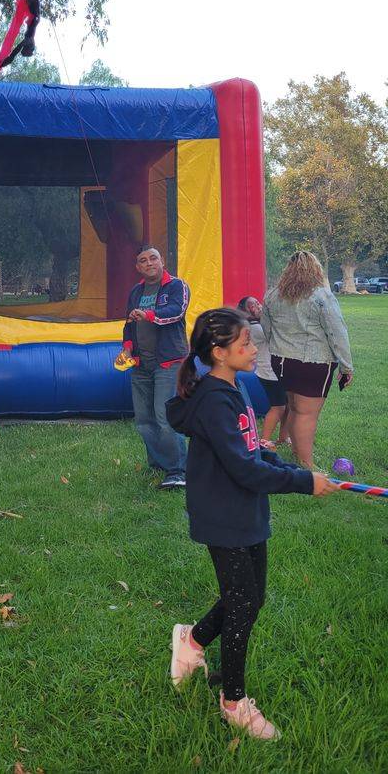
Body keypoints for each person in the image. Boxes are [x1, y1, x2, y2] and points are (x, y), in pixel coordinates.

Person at [166, 307, 339, 741]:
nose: (254, 348)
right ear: (220, 352)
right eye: (246, 343)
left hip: (245, 509)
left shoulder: (233, 386)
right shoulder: (211, 399)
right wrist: (303, 481)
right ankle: (233, 702)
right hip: (222, 513)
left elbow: (248, 450)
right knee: (242, 603)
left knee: (251, 597)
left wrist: (277, 459)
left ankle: (192, 641)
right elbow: (243, 470)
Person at [261, 251, 354, 469]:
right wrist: (346, 366)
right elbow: (337, 332)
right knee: (306, 414)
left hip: (281, 361)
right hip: (313, 364)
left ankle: (297, 453)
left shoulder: (272, 295)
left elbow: (266, 330)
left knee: (294, 407)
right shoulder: (322, 296)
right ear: (316, 270)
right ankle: (307, 465)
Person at [118, 246, 190, 490]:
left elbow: (176, 313)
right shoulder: (136, 292)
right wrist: (127, 349)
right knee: (144, 419)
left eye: (153, 258)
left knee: (165, 416)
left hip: (168, 363)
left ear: (162, 261)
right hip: (141, 364)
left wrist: (148, 315)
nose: (149, 263)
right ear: (138, 267)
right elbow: (128, 325)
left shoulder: (176, 286)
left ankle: (179, 470)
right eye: (143, 261)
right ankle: (159, 463)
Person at [237, 296, 289, 449]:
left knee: (288, 406)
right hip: (269, 372)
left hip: (278, 370)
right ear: (245, 310)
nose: (258, 306)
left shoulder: (259, 323)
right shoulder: (255, 327)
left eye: (258, 303)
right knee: (278, 407)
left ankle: (283, 438)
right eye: (253, 305)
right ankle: (264, 441)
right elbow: (277, 336)